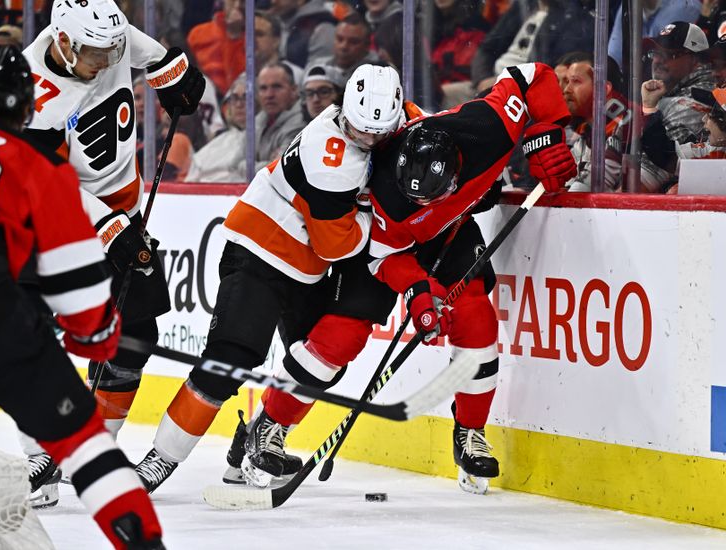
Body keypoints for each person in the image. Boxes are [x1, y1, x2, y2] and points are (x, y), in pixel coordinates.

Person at [233, 61, 577, 492]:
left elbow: (531, 75)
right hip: (387, 241)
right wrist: (418, 293)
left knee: (475, 315)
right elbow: (382, 257)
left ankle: (470, 432)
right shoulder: (382, 190)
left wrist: (545, 136)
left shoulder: (485, 128)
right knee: (340, 337)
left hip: (449, 230)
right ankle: (270, 425)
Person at [0, 44, 164, 550]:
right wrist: (99, 336)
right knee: (83, 443)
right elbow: (75, 289)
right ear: (26, 104)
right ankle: (143, 544)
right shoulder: (35, 164)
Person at [134, 64, 407, 493]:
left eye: (379, 132)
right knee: (231, 358)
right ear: (346, 114)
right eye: (360, 130)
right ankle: (159, 459)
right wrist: (382, 220)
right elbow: (337, 247)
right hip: (261, 252)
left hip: (307, 269)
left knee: (319, 359)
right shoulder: (331, 157)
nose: (368, 140)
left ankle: (258, 437)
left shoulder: (374, 118)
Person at [20, 0, 205, 506]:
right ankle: (41, 450)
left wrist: (175, 74)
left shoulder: (107, 34)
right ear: (62, 41)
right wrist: (105, 226)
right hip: (53, 221)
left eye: (111, 50)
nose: (106, 61)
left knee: (135, 332)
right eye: (94, 55)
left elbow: (144, 52)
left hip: (122, 206)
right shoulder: (33, 92)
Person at [639, 21, 716, 192]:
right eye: (655, 53)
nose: (657, 61)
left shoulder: (701, 95)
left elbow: (660, 163)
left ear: (696, 60)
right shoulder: (664, 93)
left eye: (668, 55)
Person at [561, 53, 630, 192]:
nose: (566, 90)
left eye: (576, 81)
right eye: (567, 82)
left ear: (604, 89)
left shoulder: (630, 131)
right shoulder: (584, 136)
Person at [184, 75, 249, 183]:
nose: (239, 104)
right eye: (234, 98)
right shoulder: (215, 144)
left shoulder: (262, 140)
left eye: (246, 98)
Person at [255, 62, 307, 166]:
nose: (269, 95)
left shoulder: (301, 123)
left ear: (294, 90)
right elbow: (236, 164)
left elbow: (279, 169)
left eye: (276, 87)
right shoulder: (257, 120)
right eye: (263, 88)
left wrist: (251, 165)